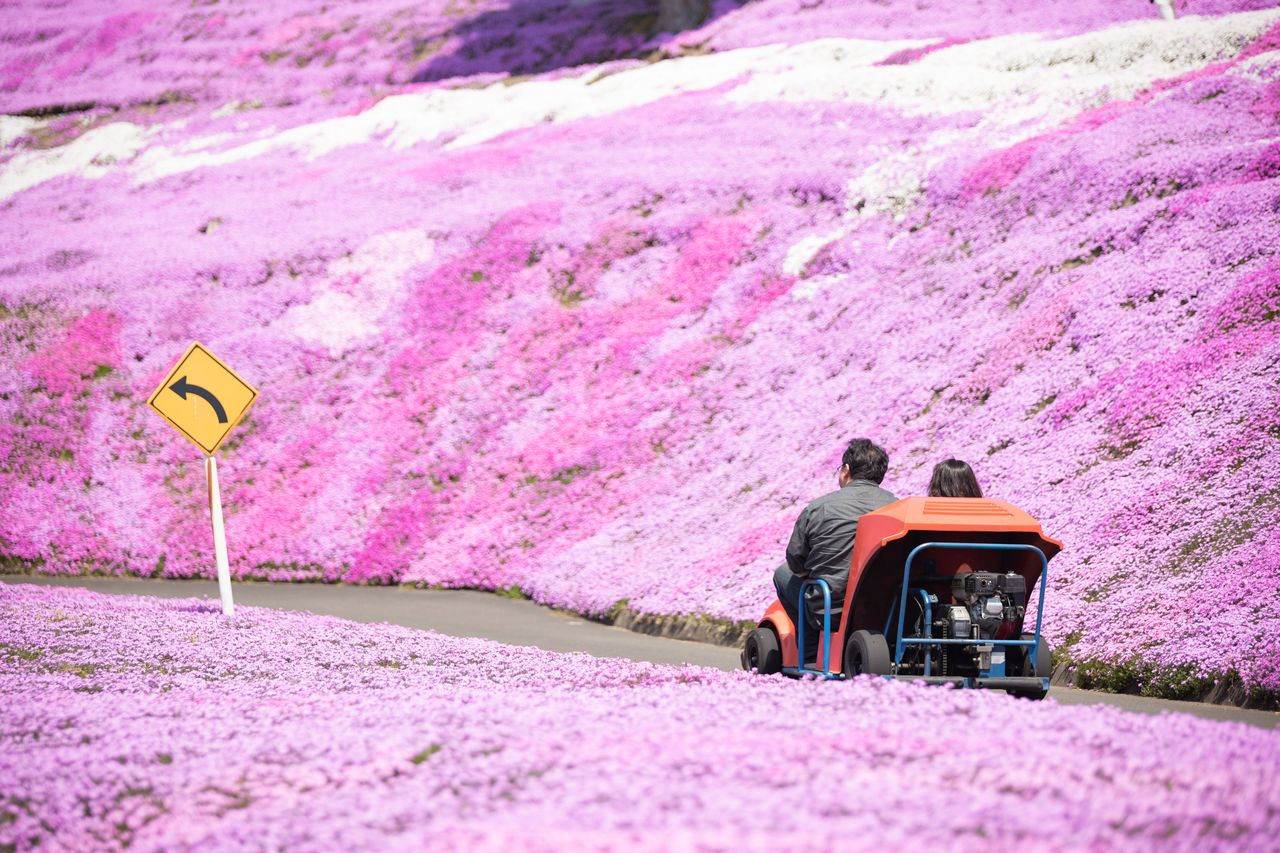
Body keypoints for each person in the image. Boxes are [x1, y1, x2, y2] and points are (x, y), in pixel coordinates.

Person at [773, 438, 897, 661]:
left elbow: (795, 562)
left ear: (846, 470)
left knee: (782, 574)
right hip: (886, 609)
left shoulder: (819, 508)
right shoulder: (898, 508)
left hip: (832, 610)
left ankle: (811, 652)